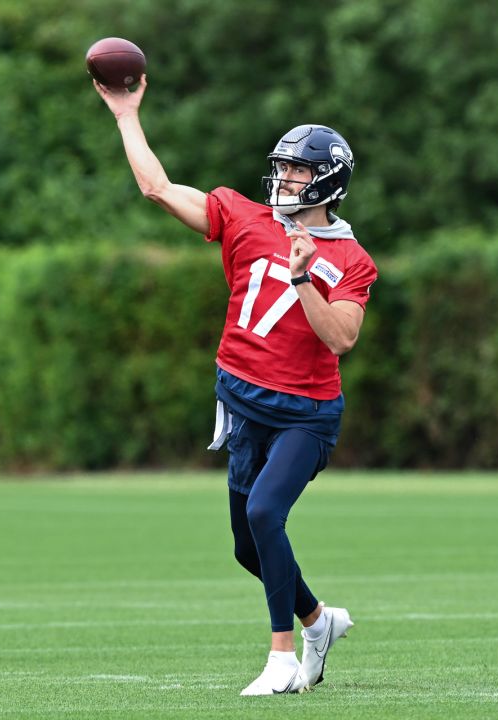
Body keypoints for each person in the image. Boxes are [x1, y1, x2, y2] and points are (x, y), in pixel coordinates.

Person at [94, 76, 378, 695]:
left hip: (306, 412)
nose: (283, 182)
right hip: (243, 400)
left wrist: (305, 281)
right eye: (282, 169)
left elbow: (342, 339)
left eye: (297, 173)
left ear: (327, 180)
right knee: (248, 548)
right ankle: (317, 620)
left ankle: (281, 658)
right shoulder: (246, 216)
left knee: (265, 510)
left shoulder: (352, 260)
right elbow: (157, 187)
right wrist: (125, 115)